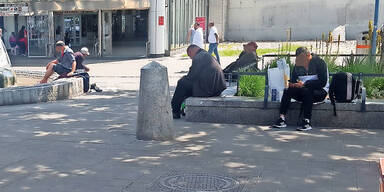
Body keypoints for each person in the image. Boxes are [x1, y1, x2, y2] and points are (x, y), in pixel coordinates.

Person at [272, 47, 329, 131]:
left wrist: (305, 84)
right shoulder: (297, 66)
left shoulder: (320, 63)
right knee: (288, 89)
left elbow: (322, 82)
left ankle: (306, 121)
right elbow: (293, 79)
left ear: (309, 56)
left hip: (320, 92)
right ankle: (281, 118)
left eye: (303, 59)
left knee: (307, 90)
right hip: (303, 91)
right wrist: (292, 84)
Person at [171, 44, 226, 119]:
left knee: (182, 83)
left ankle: (175, 111)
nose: (191, 58)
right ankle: (183, 108)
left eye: (189, 56)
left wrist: (184, 78)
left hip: (209, 90)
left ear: (191, 51)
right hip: (217, 89)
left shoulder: (199, 57)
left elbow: (191, 76)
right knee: (187, 85)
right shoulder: (206, 55)